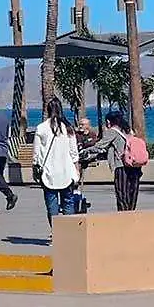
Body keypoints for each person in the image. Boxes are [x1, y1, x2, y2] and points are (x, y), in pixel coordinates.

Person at [33, 97, 80, 231]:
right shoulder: (68, 128)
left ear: (48, 110)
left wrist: (35, 168)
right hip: (67, 172)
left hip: (49, 173)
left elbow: (36, 154)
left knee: (51, 204)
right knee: (68, 202)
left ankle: (56, 232)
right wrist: (77, 170)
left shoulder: (41, 128)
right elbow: (74, 152)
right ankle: (67, 232)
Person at [82, 112, 142, 211]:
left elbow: (100, 145)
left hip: (122, 165)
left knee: (122, 192)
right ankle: (131, 214)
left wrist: (85, 150)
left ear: (109, 121)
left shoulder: (112, 132)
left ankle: (123, 216)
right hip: (135, 165)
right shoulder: (128, 131)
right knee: (132, 192)